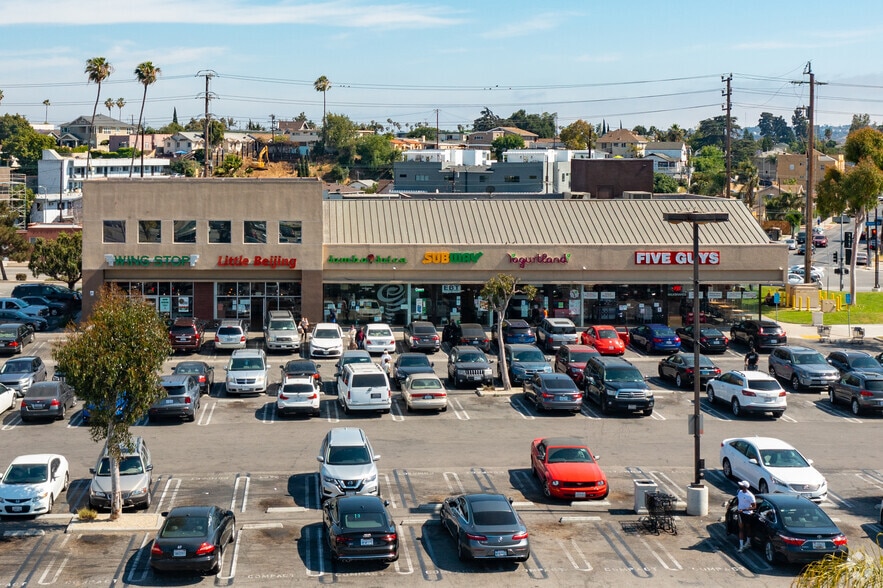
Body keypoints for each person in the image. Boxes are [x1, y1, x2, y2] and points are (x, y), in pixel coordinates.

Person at [736, 480, 756, 552]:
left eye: (741, 485)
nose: (739, 486)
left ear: (744, 487)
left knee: (748, 528)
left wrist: (744, 510)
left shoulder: (750, 496)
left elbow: (754, 506)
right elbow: (738, 501)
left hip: (747, 514)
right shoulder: (739, 492)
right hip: (740, 513)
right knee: (741, 529)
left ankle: (748, 542)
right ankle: (741, 546)